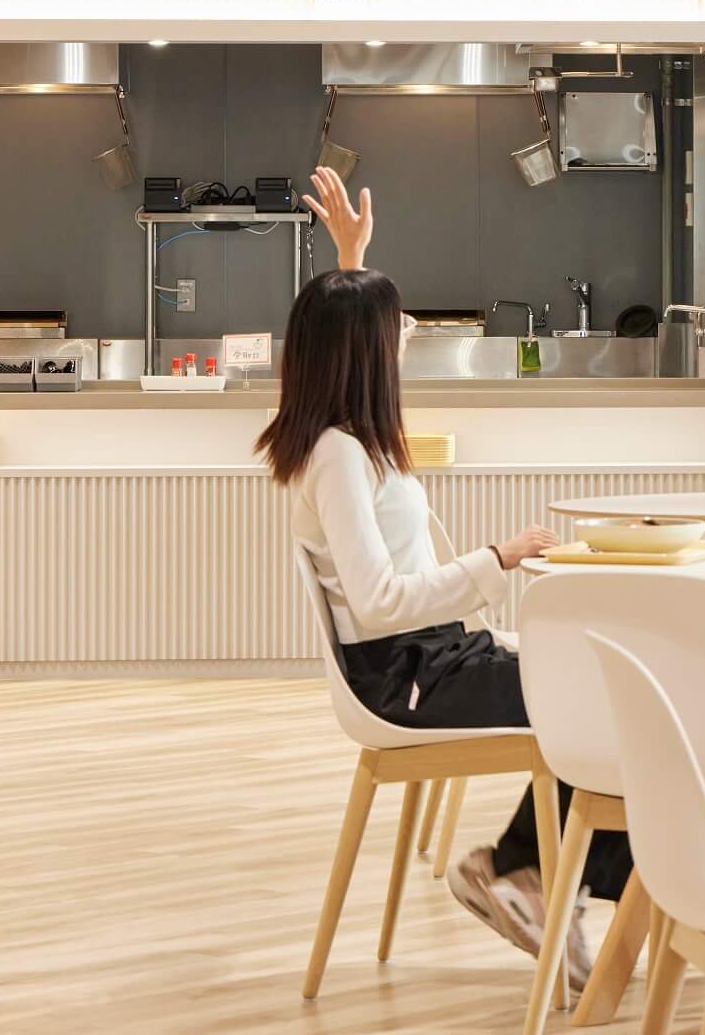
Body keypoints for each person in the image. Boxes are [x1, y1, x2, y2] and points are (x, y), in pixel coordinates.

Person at [261, 166, 631, 980]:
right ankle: (525, 873)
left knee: (606, 683)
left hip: (430, 656)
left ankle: (548, 879)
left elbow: (356, 318)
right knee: (598, 697)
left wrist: (353, 256)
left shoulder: (345, 436)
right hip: (401, 675)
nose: (407, 338)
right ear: (365, 350)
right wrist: (494, 560)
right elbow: (383, 603)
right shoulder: (337, 457)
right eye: (394, 330)